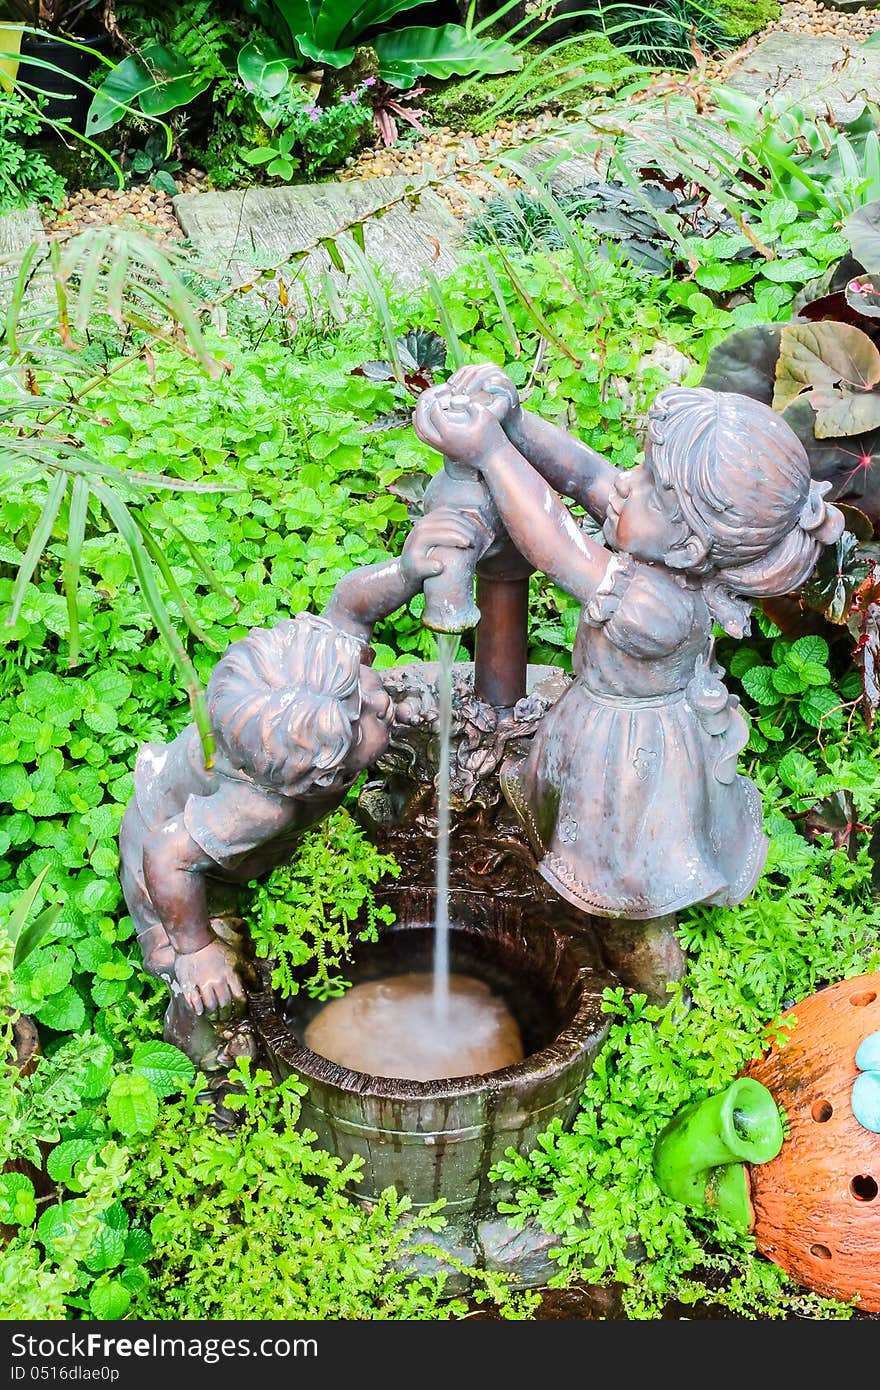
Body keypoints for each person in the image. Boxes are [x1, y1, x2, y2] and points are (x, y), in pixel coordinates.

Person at [414, 367, 844, 923]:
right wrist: (515, 421)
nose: (624, 482)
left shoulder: (657, 608)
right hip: (600, 719)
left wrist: (493, 453)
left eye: (646, 484)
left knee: (620, 880)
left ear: (689, 548)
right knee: (562, 829)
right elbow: (587, 475)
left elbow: (559, 548)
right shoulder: (663, 544)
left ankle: (652, 972)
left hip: (630, 760)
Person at [118, 508, 475, 1068]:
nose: (381, 701)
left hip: (223, 819)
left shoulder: (321, 673)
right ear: (322, 776)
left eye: (368, 683)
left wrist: (406, 573)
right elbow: (166, 854)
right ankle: (213, 1063)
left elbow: (349, 608)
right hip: (171, 867)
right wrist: (196, 950)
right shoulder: (259, 809)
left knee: (411, 715)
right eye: (365, 719)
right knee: (214, 986)